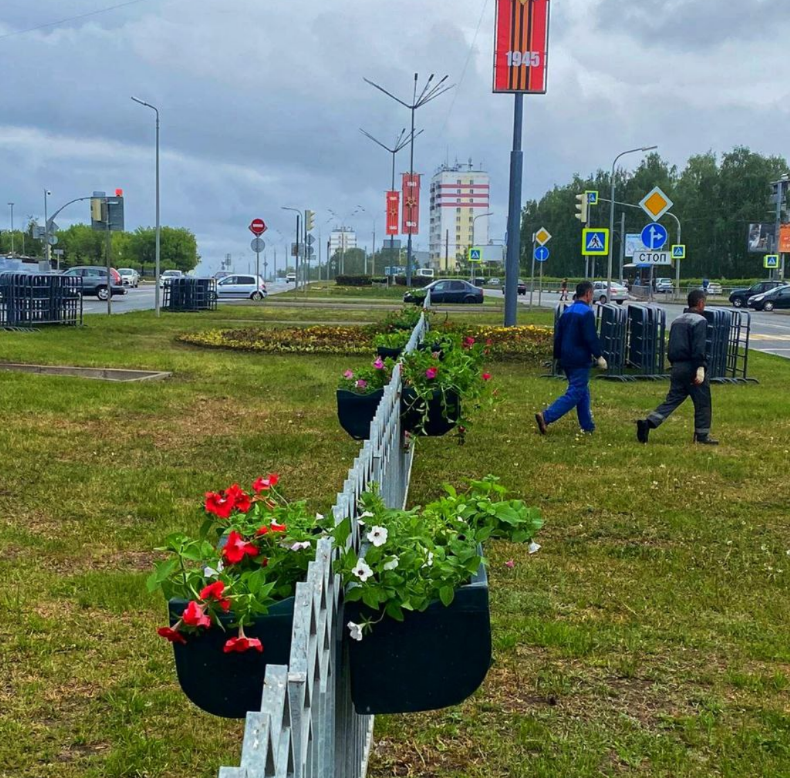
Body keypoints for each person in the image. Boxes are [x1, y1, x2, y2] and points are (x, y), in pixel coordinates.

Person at [636, 289, 718, 445]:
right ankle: (702, 436)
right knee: (703, 402)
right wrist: (700, 367)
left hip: (677, 367)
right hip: (692, 367)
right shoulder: (700, 321)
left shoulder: (677, 320)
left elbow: (671, 345)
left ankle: (648, 422)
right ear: (700, 303)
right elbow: (698, 347)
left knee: (672, 400)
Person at [536, 281, 607, 436]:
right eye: (592, 294)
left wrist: (557, 357)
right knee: (575, 391)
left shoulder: (567, 311)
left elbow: (558, 336)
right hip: (579, 358)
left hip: (566, 357)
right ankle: (546, 416)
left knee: (582, 390)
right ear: (588, 294)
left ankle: (587, 426)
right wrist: (599, 355)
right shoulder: (586, 312)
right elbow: (590, 337)